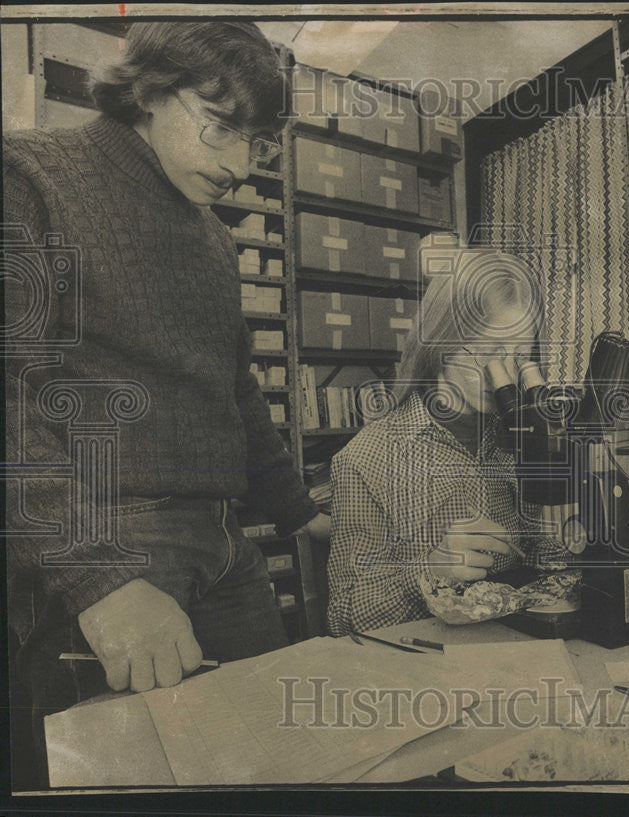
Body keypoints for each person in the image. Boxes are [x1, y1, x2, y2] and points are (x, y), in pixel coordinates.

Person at [3, 21, 329, 775]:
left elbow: (234, 386)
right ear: (149, 91)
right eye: (221, 127)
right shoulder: (29, 174)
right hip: (111, 540)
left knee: (278, 766)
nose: (239, 165)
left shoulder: (215, 238)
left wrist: (299, 510)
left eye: (256, 143)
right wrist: (99, 578)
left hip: (226, 546)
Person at [325, 236, 568, 636]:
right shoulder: (366, 459)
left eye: (518, 356)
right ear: (441, 342)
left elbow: (544, 557)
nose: (501, 374)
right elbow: (345, 617)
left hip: (510, 649)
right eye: (489, 352)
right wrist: (430, 572)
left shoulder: (515, 440)